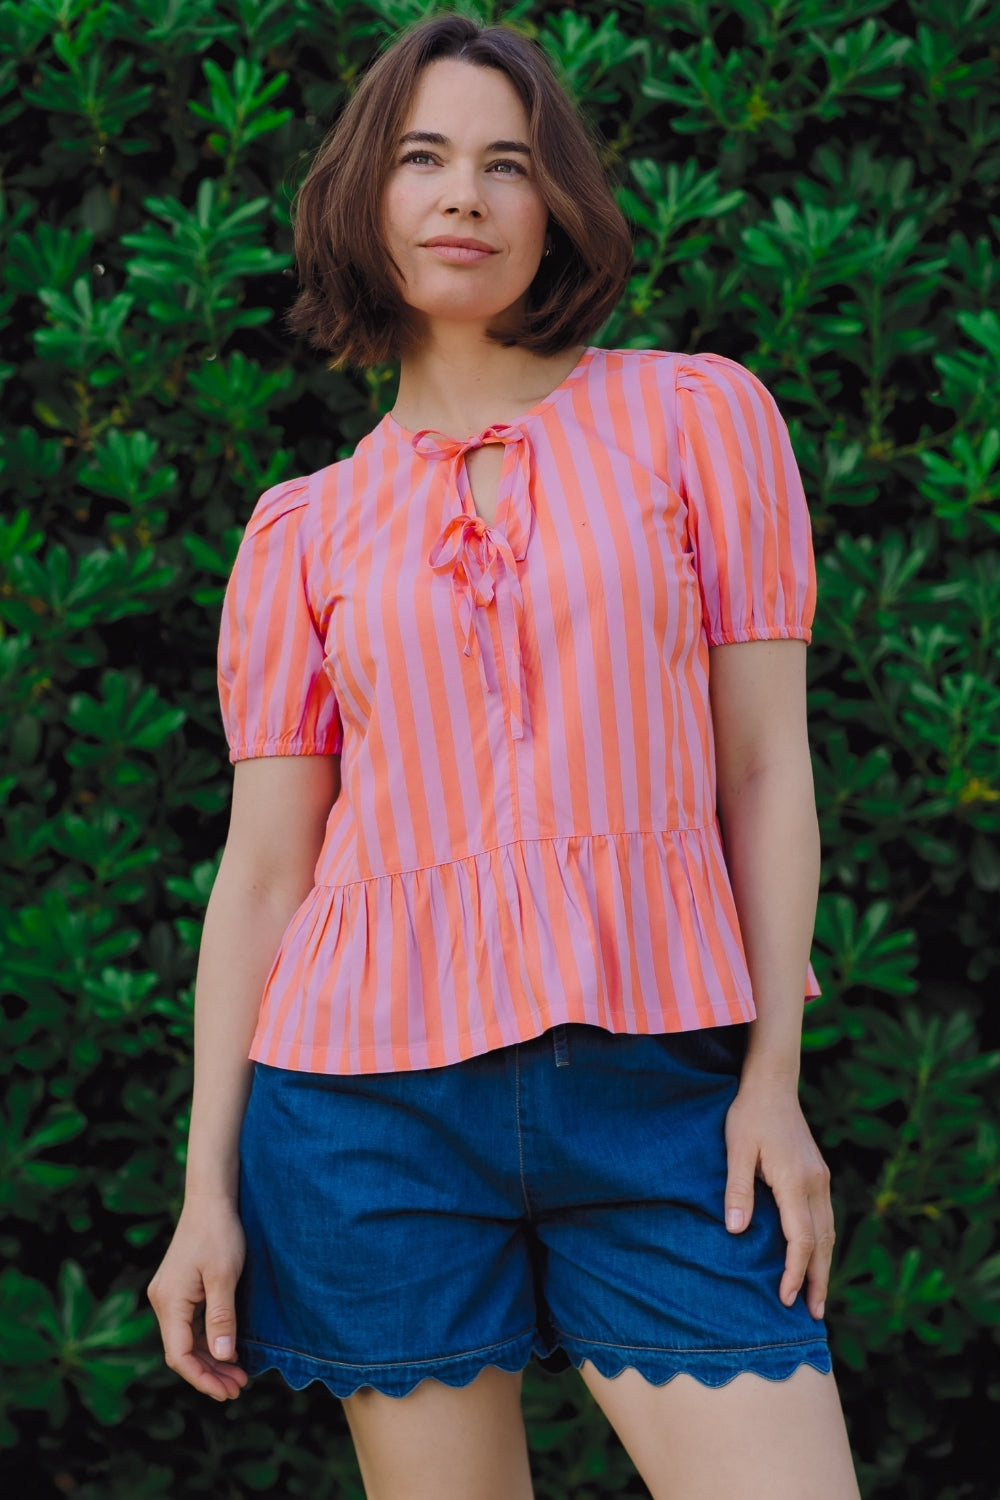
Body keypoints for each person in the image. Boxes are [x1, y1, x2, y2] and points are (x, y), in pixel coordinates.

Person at [147, 13, 861, 1499]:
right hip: (364, 1123)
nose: (463, 196)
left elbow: (763, 771)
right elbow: (267, 873)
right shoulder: (302, 531)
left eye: (508, 164)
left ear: (558, 207)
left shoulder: (697, 418)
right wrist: (205, 1189)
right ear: (366, 199)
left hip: (666, 1097)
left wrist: (774, 1081)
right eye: (423, 158)